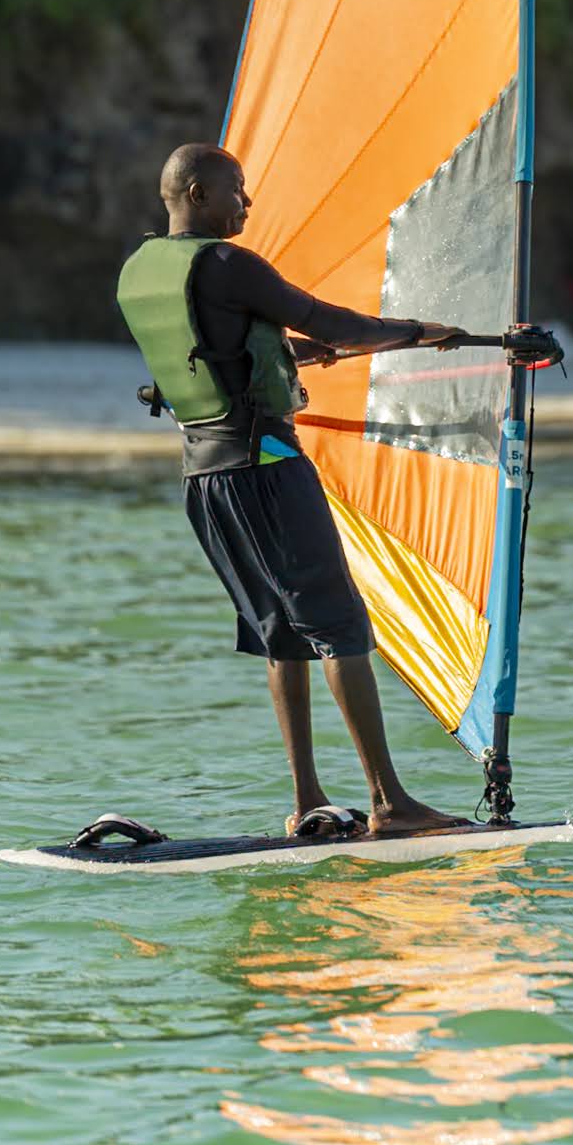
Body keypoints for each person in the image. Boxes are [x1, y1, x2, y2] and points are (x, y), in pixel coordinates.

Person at [117, 143, 472, 842]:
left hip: (205, 479)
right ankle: (389, 803)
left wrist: (293, 356)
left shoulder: (139, 272)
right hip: (269, 465)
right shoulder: (228, 265)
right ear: (194, 193)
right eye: (236, 192)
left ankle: (307, 796)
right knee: (339, 627)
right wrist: (419, 332)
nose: (246, 205)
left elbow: (213, 356)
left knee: (281, 633)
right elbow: (329, 320)